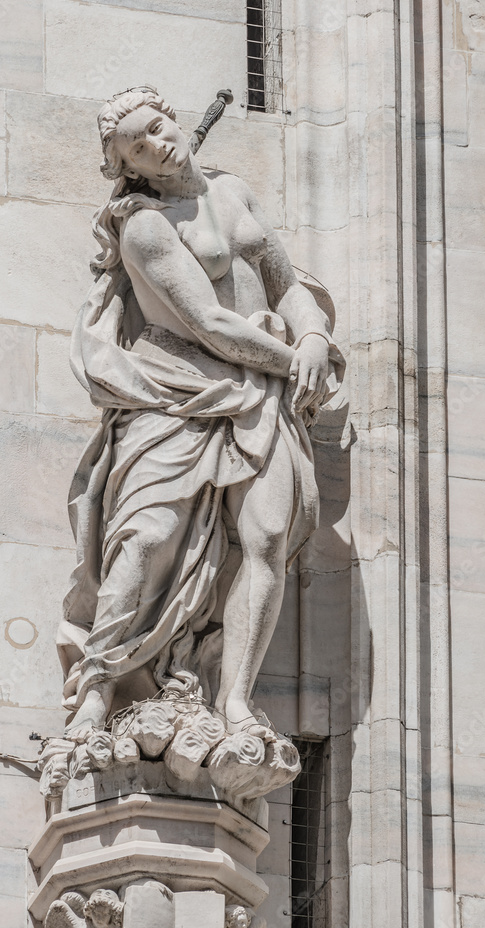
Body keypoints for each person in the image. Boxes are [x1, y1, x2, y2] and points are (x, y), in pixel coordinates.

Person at [57, 87, 344, 740]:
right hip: (180, 385)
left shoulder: (234, 191)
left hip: (263, 385)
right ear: (132, 168)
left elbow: (285, 284)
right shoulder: (144, 227)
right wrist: (291, 359)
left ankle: (234, 703)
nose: (157, 142)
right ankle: (100, 684)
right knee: (147, 536)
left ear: (174, 121)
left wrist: (313, 340)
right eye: (138, 146)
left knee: (267, 539)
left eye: (157, 127)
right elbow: (209, 322)